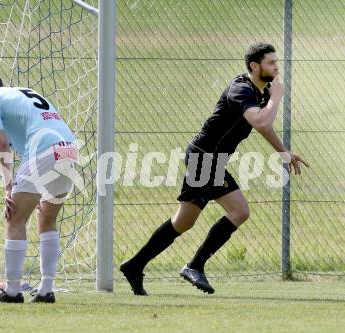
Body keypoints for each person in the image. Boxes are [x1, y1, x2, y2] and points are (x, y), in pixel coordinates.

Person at [120, 43, 309, 295]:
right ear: (255, 66)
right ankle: (193, 266)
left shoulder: (260, 92)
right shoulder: (241, 89)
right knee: (237, 211)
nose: (276, 67)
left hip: (212, 161)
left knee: (185, 221)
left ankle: (135, 265)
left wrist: (283, 151)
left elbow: (264, 126)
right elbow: (261, 120)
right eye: (271, 63)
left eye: (277, 62)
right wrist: (277, 96)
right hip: (203, 158)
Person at [0, 70, 78, 303]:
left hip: (45, 150)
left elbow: (1, 145)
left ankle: (12, 291)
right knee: (46, 218)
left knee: (14, 217)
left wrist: (8, 188)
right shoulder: (20, 94)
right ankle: (46, 290)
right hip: (69, 149)